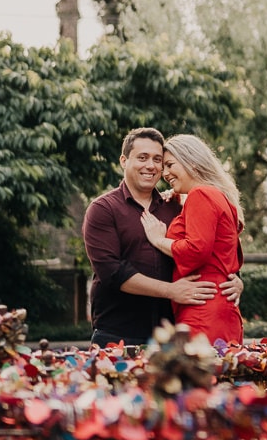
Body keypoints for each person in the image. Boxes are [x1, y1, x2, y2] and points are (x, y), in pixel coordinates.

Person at [82, 128, 242, 348]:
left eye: (159, 160)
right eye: (142, 158)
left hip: (172, 334)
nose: (152, 166)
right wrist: (171, 290)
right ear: (123, 161)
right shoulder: (103, 209)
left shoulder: (177, 206)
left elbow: (217, 245)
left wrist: (235, 280)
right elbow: (112, 271)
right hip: (118, 333)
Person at [139, 133, 245, 346]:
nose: (165, 173)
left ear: (192, 163)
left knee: (200, 376)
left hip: (203, 306)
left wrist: (158, 239)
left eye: (170, 165)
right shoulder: (213, 195)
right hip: (213, 303)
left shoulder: (201, 195)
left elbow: (196, 250)